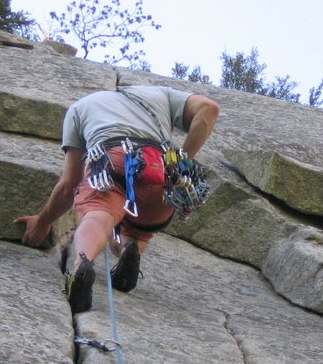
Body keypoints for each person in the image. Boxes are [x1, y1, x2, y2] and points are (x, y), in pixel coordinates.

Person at [15, 85, 219, 313]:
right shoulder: (160, 94)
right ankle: (128, 249)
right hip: (161, 171)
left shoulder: (79, 108)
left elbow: (69, 184)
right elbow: (209, 108)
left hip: (112, 161)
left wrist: (42, 221)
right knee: (138, 231)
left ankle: (82, 264)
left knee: (98, 215)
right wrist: (181, 161)